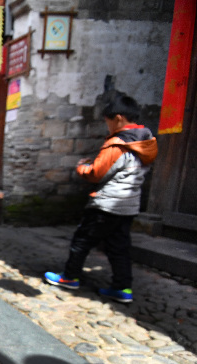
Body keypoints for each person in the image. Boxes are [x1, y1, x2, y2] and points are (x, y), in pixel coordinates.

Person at [44, 92, 158, 303]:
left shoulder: (118, 143)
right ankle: (122, 288)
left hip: (106, 205)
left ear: (118, 118)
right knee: (119, 247)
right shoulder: (146, 142)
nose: (108, 127)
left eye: (107, 122)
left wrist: (81, 167)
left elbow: (96, 173)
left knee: (82, 240)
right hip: (128, 205)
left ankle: (69, 277)